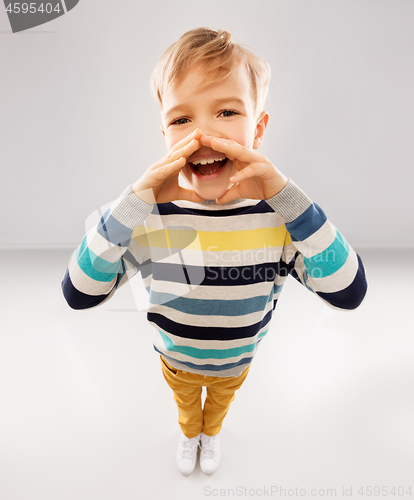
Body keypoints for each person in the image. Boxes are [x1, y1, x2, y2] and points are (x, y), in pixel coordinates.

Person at [61, 27, 368, 476]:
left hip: (237, 362)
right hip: (175, 359)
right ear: (164, 132)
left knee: (219, 404)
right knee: (186, 405)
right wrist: (133, 203)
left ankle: (212, 433)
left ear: (258, 128)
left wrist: (284, 194)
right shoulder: (146, 215)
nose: (203, 134)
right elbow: (79, 294)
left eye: (226, 111)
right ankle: (190, 434)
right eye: (182, 120)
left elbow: (348, 291)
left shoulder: (281, 217)